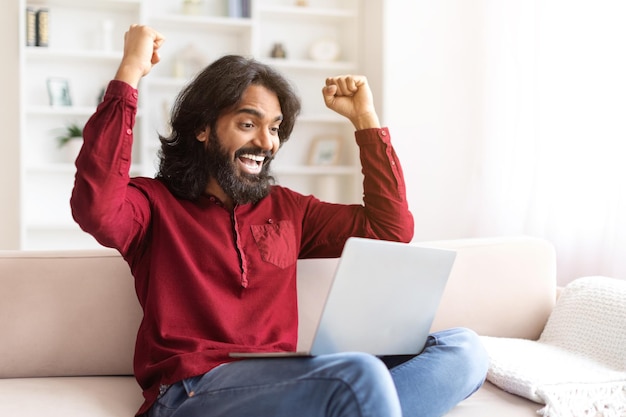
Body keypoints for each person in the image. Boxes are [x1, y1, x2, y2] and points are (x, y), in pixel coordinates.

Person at [70, 25, 488, 417]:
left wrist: (365, 121)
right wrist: (129, 74)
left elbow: (391, 230)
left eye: (275, 128)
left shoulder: (289, 209)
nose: (266, 142)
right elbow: (97, 208)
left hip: (284, 384)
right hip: (191, 392)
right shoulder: (153, 204)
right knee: (359, 376)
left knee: (465, 351)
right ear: (202, 129)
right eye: (248, 124)